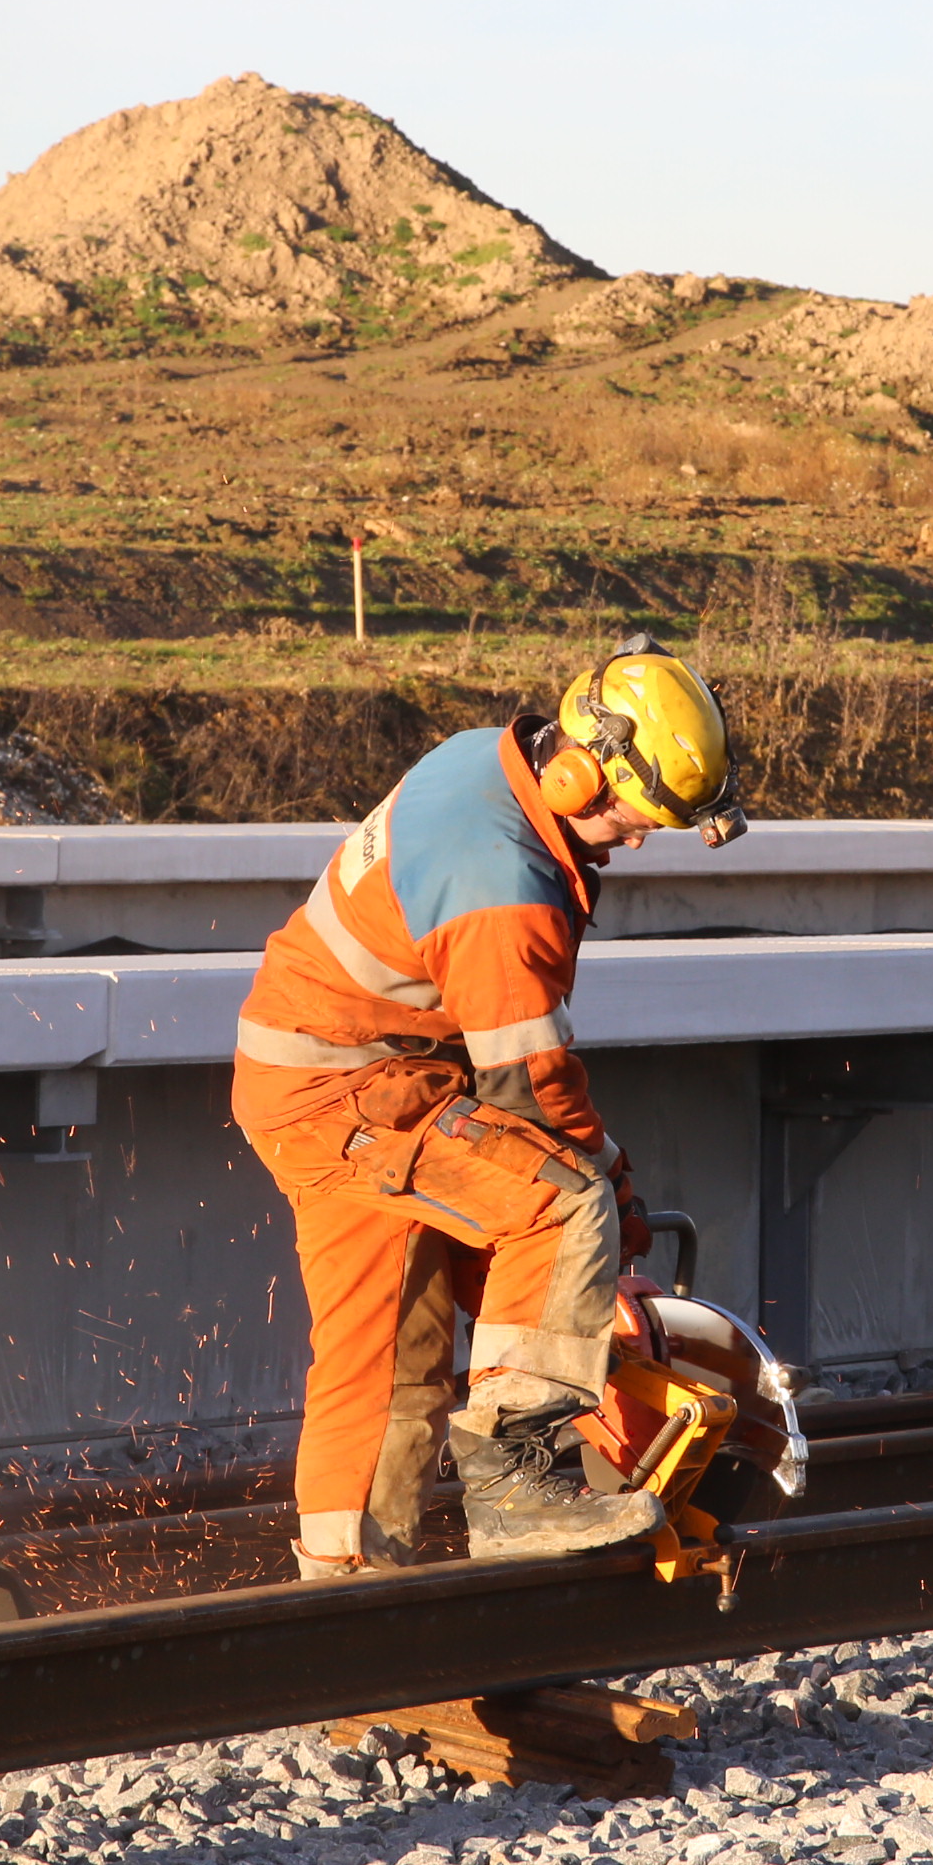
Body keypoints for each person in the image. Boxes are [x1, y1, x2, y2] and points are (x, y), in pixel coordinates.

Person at [231, 636, 747, 1576]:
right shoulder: (502, 886)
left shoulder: (487, 758)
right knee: (565, 1203)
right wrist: (611, 1178)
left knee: (389, 1352)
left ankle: (343, 1596)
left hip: (317, 1077)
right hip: (358, 1092)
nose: (637, 839)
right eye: (637, 820)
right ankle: (518, 1486)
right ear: (581, 773)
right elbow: (529, 1082)